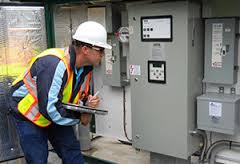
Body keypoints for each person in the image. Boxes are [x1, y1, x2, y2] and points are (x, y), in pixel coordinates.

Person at [8, 21, 112, 164]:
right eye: (100, 49)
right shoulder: (55, 63)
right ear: (86, 49)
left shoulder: (85, 69)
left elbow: (76, 98)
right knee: (38, 159)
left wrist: (87, 104)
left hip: (55, 110)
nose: (103, 54)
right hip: (28, 113)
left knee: (72, 154)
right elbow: (50, 109)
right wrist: (80, 117)